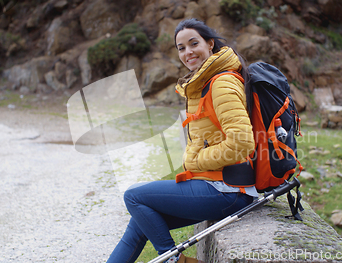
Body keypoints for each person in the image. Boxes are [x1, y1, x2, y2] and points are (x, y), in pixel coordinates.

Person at [107, 18, 256, 263]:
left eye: (193, 43)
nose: (188, 52)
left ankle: (172, 259)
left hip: (229, 189)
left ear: (210, 44)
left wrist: (197, 160)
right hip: (217, 184)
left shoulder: (222, 82)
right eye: (181, 48)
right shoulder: (205, 82)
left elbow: (242, 143)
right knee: (139, 224)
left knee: (133, 196)